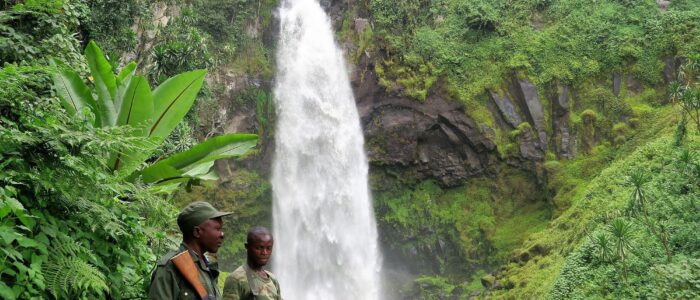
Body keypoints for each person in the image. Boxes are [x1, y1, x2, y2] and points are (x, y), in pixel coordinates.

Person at [148, 201, 233, 300]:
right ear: (197, 232)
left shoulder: (208, 266)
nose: (222, 234)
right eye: (217, 229)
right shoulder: (170, 268)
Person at [223, 227, 281, 300]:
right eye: (259, 248)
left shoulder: (273, 279)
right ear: (247, 247)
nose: (264, 253)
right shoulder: (236, 279)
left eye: (269, 248)